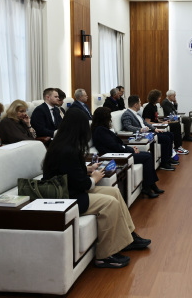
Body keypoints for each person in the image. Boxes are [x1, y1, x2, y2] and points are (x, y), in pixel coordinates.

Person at [42, 109, 151, 269]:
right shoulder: (68, 150)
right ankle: (105, 255)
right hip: (66, 196)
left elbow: (68, 172)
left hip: (70, 189)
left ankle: (129, 237)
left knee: (114, 192)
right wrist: (95, 178)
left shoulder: (63, 144)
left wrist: (88, 169)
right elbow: (83, 184)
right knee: (109, 203)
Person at [91, 107, 163, 199]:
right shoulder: (100, 131)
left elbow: (118, 144)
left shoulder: (102, 129)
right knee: (147, 157)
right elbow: (115, 146)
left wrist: (131, 148)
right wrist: (131, 150)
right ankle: (148, 187)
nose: (110, 120)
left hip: (121, 153)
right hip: (117, 157)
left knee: (148, 155)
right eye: (109, 117)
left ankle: (151, 185)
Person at [122, 95, 179, 171]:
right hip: (142, 135)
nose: (141, 104)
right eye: (140, 103)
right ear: (135, 105)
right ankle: (164, 163)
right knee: (166, 138)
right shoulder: (127, 114)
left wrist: (155, 129)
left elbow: (145, 123)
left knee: (170, 135)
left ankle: (169, 158)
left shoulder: (137, 113)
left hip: (148, 132)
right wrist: (140, 129)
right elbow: (128, 126)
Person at [143, 89, 188, 155]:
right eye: (159, 97)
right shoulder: (148, 108)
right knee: (176, 126)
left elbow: (155, 119)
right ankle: (177, 147)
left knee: (176, 124)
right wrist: (160, 123)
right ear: (155, 98)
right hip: (153, 127)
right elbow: (147, 122)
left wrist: (163, 121)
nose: (160, 98)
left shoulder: (154, 106)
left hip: (158, 124)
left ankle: (178, 147)